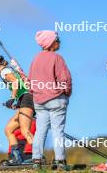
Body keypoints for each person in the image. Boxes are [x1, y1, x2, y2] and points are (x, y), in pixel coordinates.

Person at [28, 30, 72, 170]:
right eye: (57, 39)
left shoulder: (35, 59)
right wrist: (67, 93)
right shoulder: (57, 58)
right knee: (57, 131)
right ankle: (60, 162)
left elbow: (30, 82)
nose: (59, 42)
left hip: (39, 101)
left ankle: (36, 161)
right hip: (56, 99)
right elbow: (64, 79)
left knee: (40, 131)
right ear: (51, 43)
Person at [0, 53, 35, 165]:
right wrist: (15, 103)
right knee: (9, 129)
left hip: (27, 98)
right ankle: (17, 157)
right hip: (23, 100)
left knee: (25, 130)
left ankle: (37, 157)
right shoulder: (7, 70)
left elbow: (15, 82)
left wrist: (12, 98)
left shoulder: (4, 71)